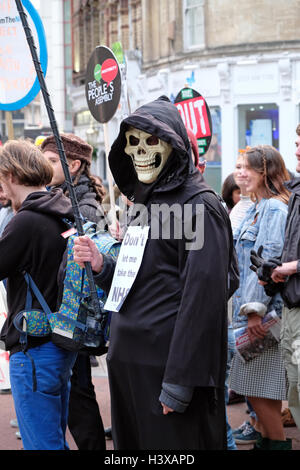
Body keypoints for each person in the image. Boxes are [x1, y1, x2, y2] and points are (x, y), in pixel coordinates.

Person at [73, 96, 238, 450]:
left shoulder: (200, 206)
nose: (140, 152)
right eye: (133, 142)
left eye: (151, 141)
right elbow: (139, 274)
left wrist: (180, 381)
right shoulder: (144, 205)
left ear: (174, 145)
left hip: (166, 374)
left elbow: (203, 297)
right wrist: (103, 266)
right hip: (130, 368)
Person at [0, 140, 77, 450]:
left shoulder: (25, 222)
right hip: (61, 338)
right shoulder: (61, 210)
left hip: (32, 347)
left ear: (13, 175)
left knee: (42, 444)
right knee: (54, 438)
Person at [41, 133, 107, 451]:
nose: (44, 165)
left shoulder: (84, 207)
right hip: (63, 309)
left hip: (76, 313)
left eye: (52, 160)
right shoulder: (57, 197)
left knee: (79, 393)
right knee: (72, 393)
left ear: (74, 164)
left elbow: (85, 267)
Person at [229, 144, 291, 450]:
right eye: (238, 166)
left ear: (266, 172)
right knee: (254, 388)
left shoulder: (273, 208)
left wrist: (255, 311)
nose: (241, 173)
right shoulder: (257, 206)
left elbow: (268, 261)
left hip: (264, 316)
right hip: (254, 313)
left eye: (248, 167)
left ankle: (274, 444)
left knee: (258, 389)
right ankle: (268, 443)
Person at [252, 124, 300, 432]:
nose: (297, 149)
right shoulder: (296, 192)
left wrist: (292, 267)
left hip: (291, 307)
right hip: (292, 305)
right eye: (297, 142)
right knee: (294, 387)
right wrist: (272, 273)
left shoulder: (277, 204)